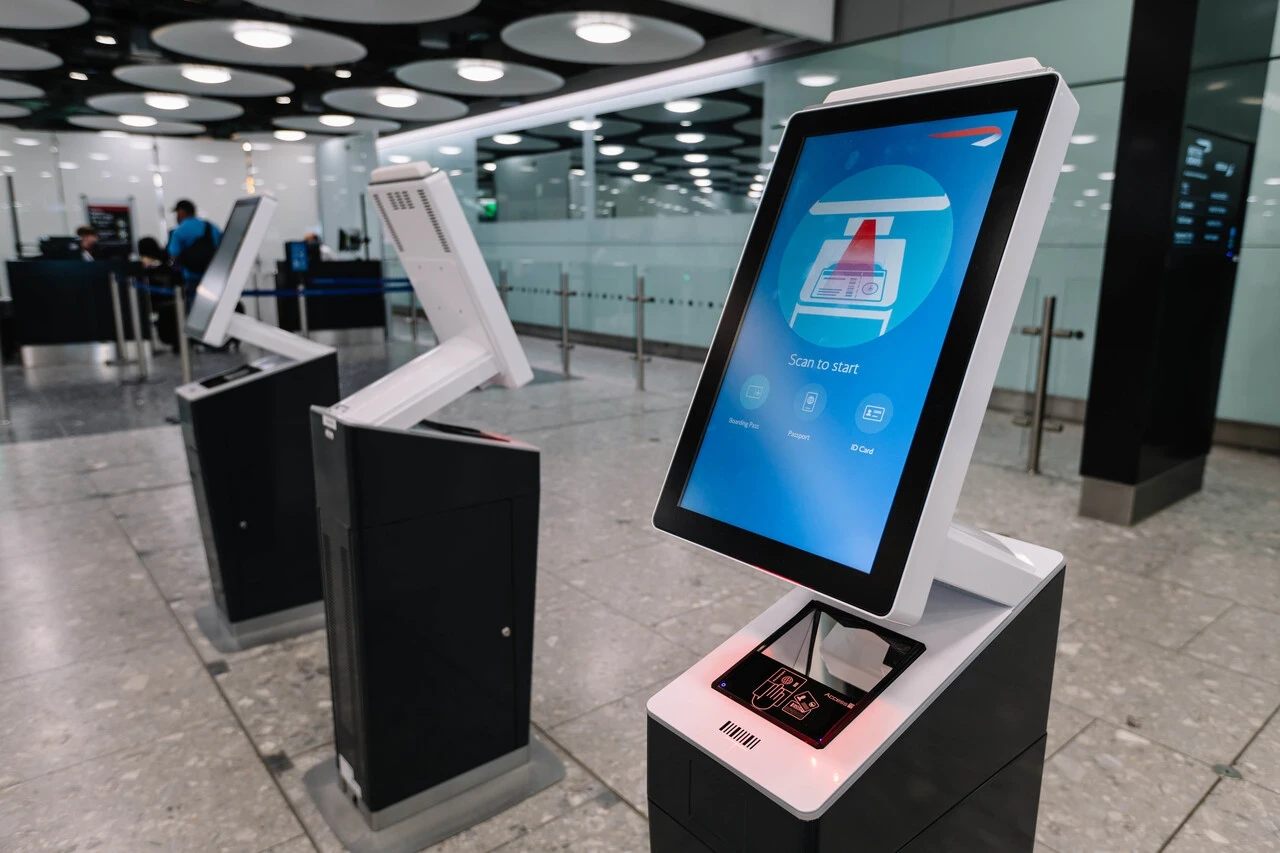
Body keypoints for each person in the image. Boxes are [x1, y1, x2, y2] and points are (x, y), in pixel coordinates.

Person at [166, 199, 222, 303]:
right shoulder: (211, 227)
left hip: (192, 277)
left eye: (177, 213)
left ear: (181, 212)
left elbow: (173, 254)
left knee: (195, 307)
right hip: (213, 276)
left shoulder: (179, 231)